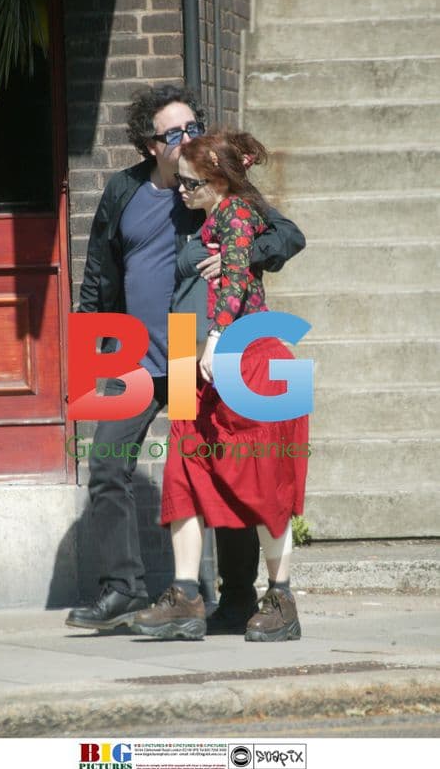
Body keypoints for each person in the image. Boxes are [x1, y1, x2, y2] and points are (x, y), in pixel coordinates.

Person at [65, 85, 306, 634]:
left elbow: (286, 237)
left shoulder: (213, 188)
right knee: (106, 464)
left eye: (193, 125)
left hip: (190, 355)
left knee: (211, 470)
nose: (187, 137)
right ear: (150, 144)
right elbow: (101, 271)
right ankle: (122, 589)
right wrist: (94, 347)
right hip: (132, 355)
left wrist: (238, 257)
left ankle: (238, 597)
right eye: (173, 132)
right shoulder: (124, 190)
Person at [130, 130, 309, 642]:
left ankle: (278, 598)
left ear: (216, 179)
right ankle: (185, 596)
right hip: (191, 356)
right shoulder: (195, 210)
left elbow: (246, 268)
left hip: (239, 354)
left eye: (189, 184)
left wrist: (217, 335)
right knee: (185, 470)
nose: (179, 191)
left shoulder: (237, 213)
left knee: (261, 480)